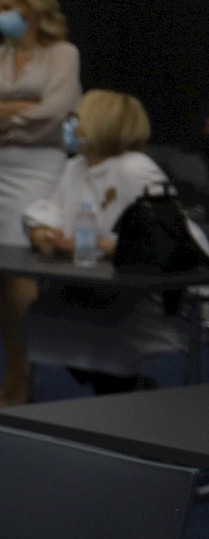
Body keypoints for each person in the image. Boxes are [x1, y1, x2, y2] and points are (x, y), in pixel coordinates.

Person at [0, 0, 81, 407]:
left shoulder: (63, 54)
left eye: (8, 7)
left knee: (21, 269)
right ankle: (16, 364)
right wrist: (14, 112)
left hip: (37, 170)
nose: (0, 15)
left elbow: (57, 111)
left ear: (34, 9)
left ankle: (23, 370)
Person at [23, 91, 200, 394]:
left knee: (90, 328)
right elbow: (48, 213)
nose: (72, 125)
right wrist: (42, 234)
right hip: (96, 284)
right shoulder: (76, 166)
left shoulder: (136, 168)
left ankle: (124, 390)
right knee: (44, 319)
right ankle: (121, 389)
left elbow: (168, 239)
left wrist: (94, 246)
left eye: (78, 118)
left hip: (148, 293)